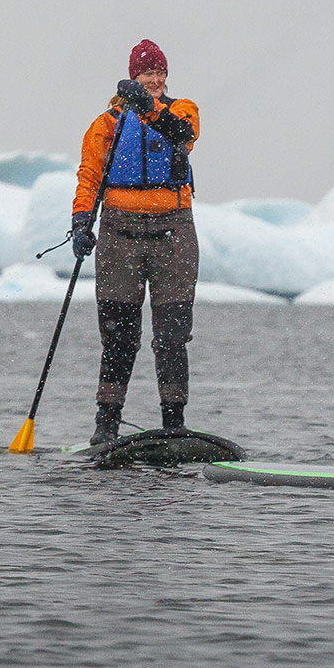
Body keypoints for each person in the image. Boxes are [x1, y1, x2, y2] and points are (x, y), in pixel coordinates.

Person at [69, 40, 202, 446]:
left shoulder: (183, 110)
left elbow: (182, 134)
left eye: (160, 73)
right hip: (118, 232)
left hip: (173, 232)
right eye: (148, 74)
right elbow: (90, 175)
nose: (156, 79)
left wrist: (145, 104)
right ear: (134, 74)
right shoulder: (106, 123)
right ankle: (106, 421)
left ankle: (172, 421)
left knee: (171, 334)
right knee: (119, 335)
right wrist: (80, 221)